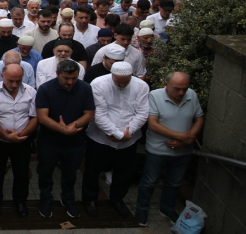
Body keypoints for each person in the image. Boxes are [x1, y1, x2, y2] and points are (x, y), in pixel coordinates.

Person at [135, 72, 204, 226]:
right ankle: (142, 209)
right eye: (177, 89)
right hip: (157, 150)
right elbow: (152, 124)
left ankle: (167, 208)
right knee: (149, 181)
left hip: (183, 151)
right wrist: (182, 137)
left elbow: (199, 118)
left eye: (184, 89)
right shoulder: (154, 96)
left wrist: (188, 138)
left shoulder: (191, 95)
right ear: (166, 84)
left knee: (174, 182)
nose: (181, 93)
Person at [82, 62, 149, 218]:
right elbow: (98, 114)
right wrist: (116, 134)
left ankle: (117, 199)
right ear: (111, 74)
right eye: (118, 81)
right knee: (92, 169)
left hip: (129, 138)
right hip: (100, 137)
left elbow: (143, 112)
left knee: (124, 171)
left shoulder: (141, 86)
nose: (121, 84)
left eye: (125, 81)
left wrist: (128, 132)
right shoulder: (98, 84)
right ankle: (90, 199)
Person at [35, 59, 95, 219]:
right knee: (45, 173)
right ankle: (46, 199)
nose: (70, 82)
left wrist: (72, 127)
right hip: (49, 142)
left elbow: (89, 114)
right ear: (57, 74)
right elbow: (42, 117)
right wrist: (64, 130)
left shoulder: (85, 88)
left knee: (70, 174)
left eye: (74, 78)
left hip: (75, 142)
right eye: (66, 78)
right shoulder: (45, 89)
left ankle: (68, 199)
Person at [0, 64, 38, 218]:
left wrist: (24, 133)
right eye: (11, 81)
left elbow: (35, 117)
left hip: (23, 140)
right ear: (2, 76)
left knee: (22, 172)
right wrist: (6, 136)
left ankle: (21, 201)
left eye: (18, 81)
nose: (15, 85)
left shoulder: (30, 91)